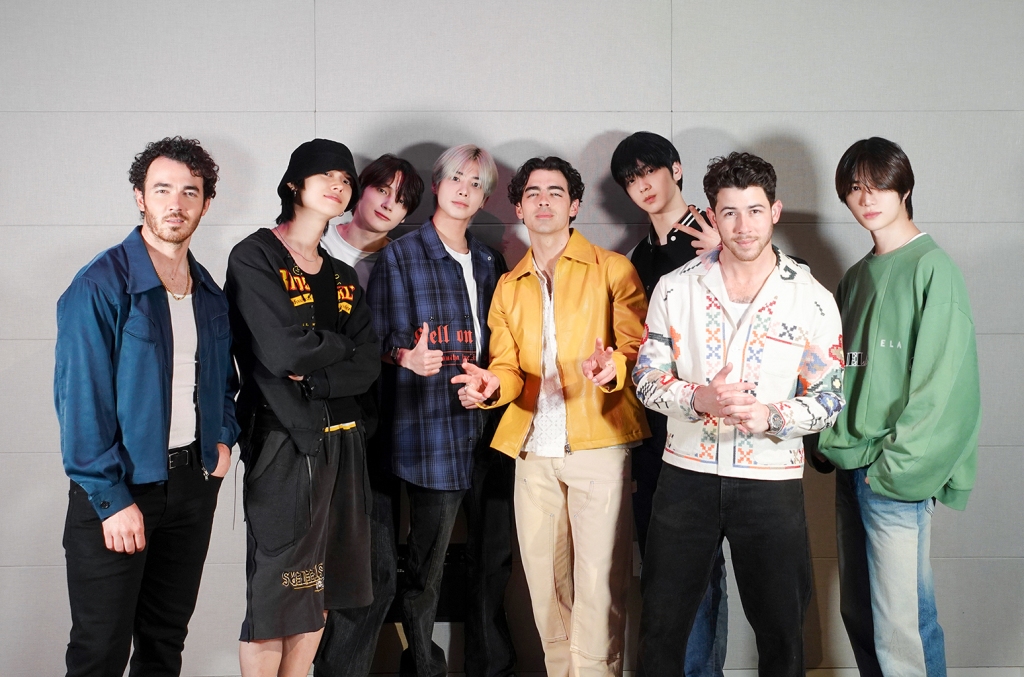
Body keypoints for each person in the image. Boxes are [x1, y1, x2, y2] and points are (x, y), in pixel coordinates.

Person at [633, 152, 846, 676]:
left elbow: (830, 398)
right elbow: (646, 378)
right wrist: (697, 399)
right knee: (661, 627)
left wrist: (772, 415)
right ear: (712, 215)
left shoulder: (812, 299)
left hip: (771, 482)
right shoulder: (675, 287)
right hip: (685, 477)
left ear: (775, 211)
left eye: (754, 210)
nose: (743, 225)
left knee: (782, 631)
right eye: (729, 212)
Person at [454, 156, 649, 677]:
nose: (544, 201)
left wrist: (612, 368)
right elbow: (507, 367)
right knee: (544, 587)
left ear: (575, 205)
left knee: (599, 586)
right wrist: (491, 387)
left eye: (556, 192)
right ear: (519, 208)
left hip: (599, 444)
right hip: (532, 453)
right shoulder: (509, 285)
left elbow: (637, 348)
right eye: (533, 193)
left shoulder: (612, 269)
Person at [55, 136, 239, 677]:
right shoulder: (100, 285)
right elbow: (80, 401)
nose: (175, 204)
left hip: (191, 489)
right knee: (100, 652)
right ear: (140, 197)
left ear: (206, 203)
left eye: (189, 192)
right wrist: (111, 499)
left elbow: (221, 382)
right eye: (162, 190)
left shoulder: (207, 292)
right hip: (119, 491)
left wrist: (222, 440)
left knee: (164, 645)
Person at [818, 137, 980, 677]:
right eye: (855, 188)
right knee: (861, 615)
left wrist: (896, 468)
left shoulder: (933, 268)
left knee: (902, 625)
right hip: (850, 464)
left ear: (904, 188)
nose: (867, 198)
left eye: (879, 185)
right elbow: (833, 372)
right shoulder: (855, 278)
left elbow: (944, 387)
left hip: (893, 471)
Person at [225, 138, 380, 677]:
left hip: (344, 445)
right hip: (285, 444)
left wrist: (318, 372)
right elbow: (283, 351)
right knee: (275, 596)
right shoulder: (255, 256)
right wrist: (339, 347)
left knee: (317, 590)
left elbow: (369, 362)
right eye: (327, 175)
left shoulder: (341, 275)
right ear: (295, 184)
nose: (339, 185)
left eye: (347, 179)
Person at [366, 144, 516, 677]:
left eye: (475, 184)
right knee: (425, 570)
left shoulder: (489, 262)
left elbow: (505, 345)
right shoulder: (401, 256)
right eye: (456, 178)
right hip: (428, 433)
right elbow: (375, 338)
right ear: (437, 185)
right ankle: (424, 668)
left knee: (491, 561)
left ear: (485, 197)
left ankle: (489, 668)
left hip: (489, 429)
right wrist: (404, 355)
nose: (463, 190)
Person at [610, 131, 728, 676]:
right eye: (632, 179)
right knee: (662, 566)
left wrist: (727, 251)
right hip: (654, 429)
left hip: (708, 426)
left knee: (700, 568)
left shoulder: (715, 232)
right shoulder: (637, 256)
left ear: (676, 169)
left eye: (650, 170)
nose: (643, 185)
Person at [314, 154, 424, 677]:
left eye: (401, 201)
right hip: (309, 424)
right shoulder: (313, 245)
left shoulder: (405, 260)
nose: (388, 204)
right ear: (361, 190)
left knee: (372, 571)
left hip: (380, 425)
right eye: (382, 189)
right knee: (305, 571)